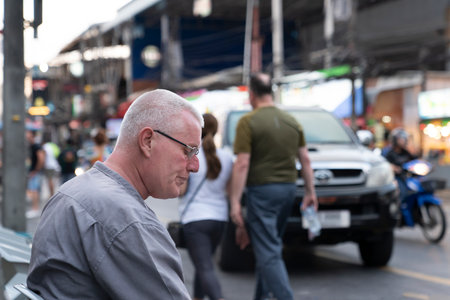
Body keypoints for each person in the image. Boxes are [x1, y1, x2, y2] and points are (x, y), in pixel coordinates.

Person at [27, 89, 204, 299]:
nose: (195, 166)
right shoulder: (128, 222)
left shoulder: (69, 192)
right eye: (188, 151)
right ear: (148, 141)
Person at [229, 73, 317, 300]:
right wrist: (310, 192)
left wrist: (235, 201)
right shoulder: (291, 121)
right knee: (268, 247)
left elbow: (242, 163)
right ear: (272, 92)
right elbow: (305, 160)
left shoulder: (248, 122)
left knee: (268, 251)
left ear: (252, 94)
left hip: (262, 191)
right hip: (288, 190)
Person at [179, 113, 233, 300]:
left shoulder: (192, 156)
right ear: (217, 131)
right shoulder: (226, 156)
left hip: (195, 219)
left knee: (204, 267)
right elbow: (229, 190)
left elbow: (182, 191)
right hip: (220, 219)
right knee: (203, 265)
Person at [383, 128, 417, 201]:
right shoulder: (388, 152)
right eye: (401, 139)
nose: (403, 140)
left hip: (407, 176)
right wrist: (393, 167)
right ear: (395, 139)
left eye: (404, 138)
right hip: (395, 178)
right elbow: (384, 164)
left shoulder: (405, 152)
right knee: (402, 192)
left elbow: (415, 160)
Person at [26, 130, 45, 216]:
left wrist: (35, 170)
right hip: (34, 171)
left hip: (35, 172)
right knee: (33, 190)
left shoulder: (36, 146)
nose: (26, 135)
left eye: (28, 133)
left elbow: (41, 158)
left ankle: (35, 208)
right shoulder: (32, 146)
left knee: (34, 190)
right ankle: (35, 208)